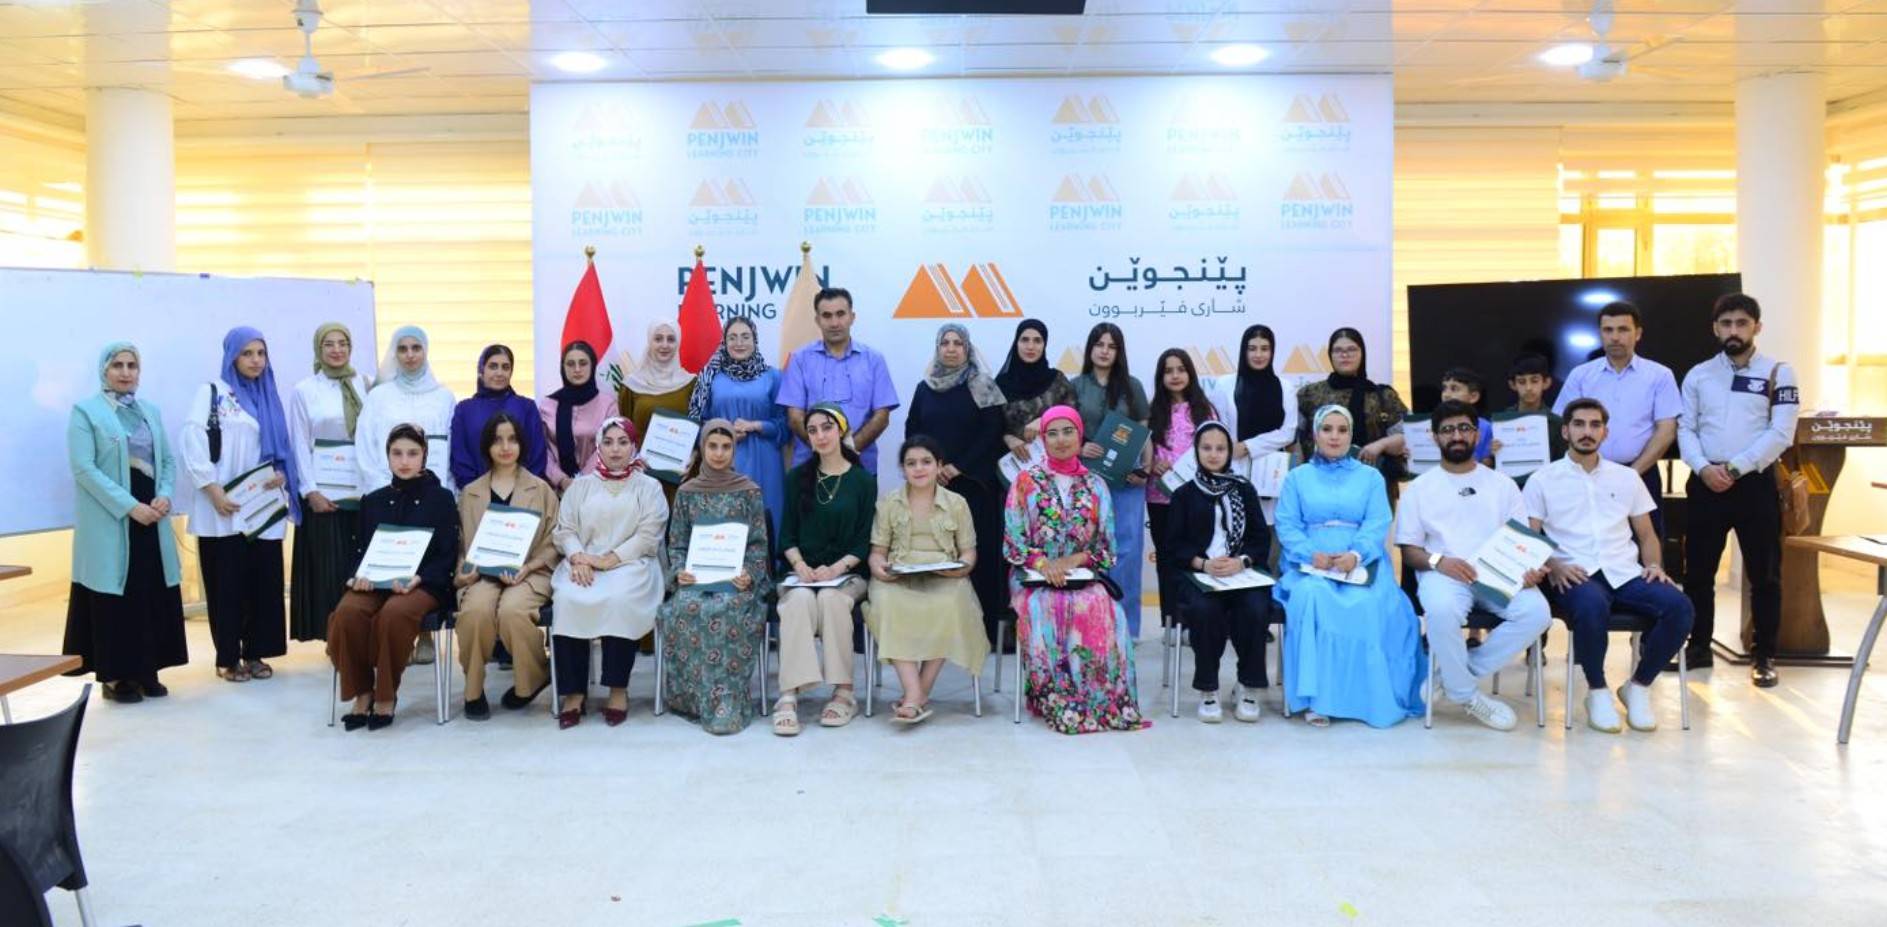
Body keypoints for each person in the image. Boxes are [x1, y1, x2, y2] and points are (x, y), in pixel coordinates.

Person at [1524, 399, 1694, 733]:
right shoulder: (1542, 479)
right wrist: (1553, 564)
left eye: (1595, 425)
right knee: (1590, 605)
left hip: (1625, 572)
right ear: (1565, 431)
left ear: (1605, 432)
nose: (1587, 432)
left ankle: (1638, 686)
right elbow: (1529, 537)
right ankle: (1597, 691)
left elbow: (1646, 534)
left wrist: (1654, 564)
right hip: (1573, 573)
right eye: (1579, 424)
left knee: (1680, 606)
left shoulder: (1627, 477)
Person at [1394, 400, 1553, 731]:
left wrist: (1528, 569)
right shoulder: (1420, 489)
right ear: (1435, 437)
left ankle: (1455, 677)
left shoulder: (1503, 484)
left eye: (1464, 428)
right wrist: (1440, 561)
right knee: (1441, 610)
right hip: (1444, 574)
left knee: (1537, 613)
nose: (1457, 436)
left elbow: (1522, 541)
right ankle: (1467, 695)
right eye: (1448, 430)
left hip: (1499, 576)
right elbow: (1410, 551)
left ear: (1477, 434)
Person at [1274, 405, 1424, 728]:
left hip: (1362, 563)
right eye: (1327, 429)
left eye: (1342, 430)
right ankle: (1316, 700)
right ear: (1315, 434)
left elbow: (1377, 522)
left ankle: (1365, 698)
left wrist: (1356, 555)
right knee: (1311, 597)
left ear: (1351, 434)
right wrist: (1310, 553)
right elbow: (1287, 524)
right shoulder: (1297, 477)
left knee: (1368, 605)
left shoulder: (1371, 477)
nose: (1335, 436)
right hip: (1309, 564)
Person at [1677, 293, 1799, 685]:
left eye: (1742, 323)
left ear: (1756, 327)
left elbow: (1781, 433)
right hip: (1705, 483)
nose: (1734, 330)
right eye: (1726, 323)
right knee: (1698, 573)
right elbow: (1685, 429)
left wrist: (1734, 468)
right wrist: (1703, 468)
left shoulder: (1779, 372)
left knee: (1765, 575)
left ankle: (1764, 656)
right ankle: (1698, 647)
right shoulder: (1698, 375)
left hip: (1754, 485)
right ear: (1715, 328)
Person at [1003, 405, 1146, 735]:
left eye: (1068, 431)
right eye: (1052, 433)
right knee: (1045, 606)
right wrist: (1044, 564)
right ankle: (1057, 699)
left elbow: (1106, 549)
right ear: (1042, 439)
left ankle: (1098, 699)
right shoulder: (1025, 481)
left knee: (1104, 607)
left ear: (1080, 436)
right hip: (1033, 579)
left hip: (1081, 576)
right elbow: (1013, 543)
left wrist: (1074, 560)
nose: (1061, 440)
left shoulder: (1096, 485)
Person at [63, 342, 188, 703]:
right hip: (112, 517)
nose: (125, 372)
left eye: (132, 365)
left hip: (152, 515)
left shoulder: (150, 411)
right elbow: (84, 469)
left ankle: (147, 670)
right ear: (104, 370)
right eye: (117, 365)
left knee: (148, 590)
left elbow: (167, 461)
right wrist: (130, 507)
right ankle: (117, 676)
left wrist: (164, 495)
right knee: (116, 596)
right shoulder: (85, 412)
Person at [180, 327, 298, 683]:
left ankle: (257, 652)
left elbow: (280, 451)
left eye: (261, 353)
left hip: (262, 508)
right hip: (224, 507)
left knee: (263, 583)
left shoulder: (269, 396)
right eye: (247, 353)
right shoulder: (213, 392)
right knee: (227, 586)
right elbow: (192, 439)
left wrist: (280, 475)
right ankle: (228, 658)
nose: (255, 360)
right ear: (232, 356)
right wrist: (212, 489)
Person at [326, 425, 460, 730]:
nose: (404, 461)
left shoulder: (441, 499)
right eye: (397, 453)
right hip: (376, 583)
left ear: (424, 456)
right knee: (347, 612)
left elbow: (447, 554)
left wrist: (420, 578)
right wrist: (357, 576)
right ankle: (363, 693)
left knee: (394, 614)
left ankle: (386, 696)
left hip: (423, 584)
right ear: (387, 456)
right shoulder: (372, 501)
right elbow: (359, 550)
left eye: (412, 453)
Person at [548, 417, 669, 729]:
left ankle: (617, 689)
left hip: (632, 564)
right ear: (598, 447)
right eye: (608, 442)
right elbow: (565, 529)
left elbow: (649, 535)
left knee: (620, 599)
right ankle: (574, 693)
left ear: (634, 446)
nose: (615, 449)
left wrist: (609, 560)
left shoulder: (649, 487)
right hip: (583, 563)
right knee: (568, 598)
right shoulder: (580, 487)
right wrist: (579, 557)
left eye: (623, 442)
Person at [866, 436, 992, 725]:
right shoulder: (889, 503)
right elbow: (877, 552)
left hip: (945, 575)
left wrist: (961, 568)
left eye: (926, 462)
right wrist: (879, 568)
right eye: (911, 463)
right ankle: (915, 693)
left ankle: (917, 693)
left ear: (939, 466)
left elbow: (968, 552)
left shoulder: (957, 503)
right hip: (899, 575)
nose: (919, 468)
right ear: (903, 469)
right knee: (886, 601)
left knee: (951, 604)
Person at [659, 420, 773, 734]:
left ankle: (727, 701)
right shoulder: (687, 492)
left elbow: (758, 543)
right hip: (696, 580)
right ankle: (695, 700)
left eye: (726, 447)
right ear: (702, 449)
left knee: (728, 607)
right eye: (712, 446)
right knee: (687, 606)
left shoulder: (748, 490)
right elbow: (677, 543)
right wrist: (679, 571)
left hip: (738, 580)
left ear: (734, 450)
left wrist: (749, 574)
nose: (719, 453)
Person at [774, 403, 877, 735]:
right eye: (813, 430)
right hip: (801, 573)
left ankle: (844, 692)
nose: (820, 435)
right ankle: (789, 695)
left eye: (827, 427)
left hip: (847, 573)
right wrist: (800, 565)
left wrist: (835, 569)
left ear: (842, 430)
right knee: (798, 601)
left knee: (833, 601)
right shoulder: (796, 478)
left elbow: (864, 540)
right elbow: (787, 535)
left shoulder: (863, 481)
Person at [903, 323, 1009, 645]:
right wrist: (931, 466)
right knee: (936, 555)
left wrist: (958, 466)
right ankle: (939, 635)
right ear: (938, 348)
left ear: (967, 348)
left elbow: (993, 432)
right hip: (932, 487)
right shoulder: (925, 388)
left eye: (957, 343)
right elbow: (913, 430)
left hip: (975, 486)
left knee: (977, 555)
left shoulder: (983, 385)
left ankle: (983, 632)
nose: (951, 348)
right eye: (945, 343)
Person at [1162, 421, 1272, 724]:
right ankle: (1208, 688)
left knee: (1255, 608)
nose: (1213, 454)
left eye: (1220, 448)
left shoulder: (1244, 490)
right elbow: (1173, 546)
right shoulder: (1184, 494)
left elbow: (1261, 540)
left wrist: (1242, 562)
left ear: (1229, 452)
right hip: (1200, 575)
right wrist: (1203, 564)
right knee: (1204, 610)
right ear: (1196, 451)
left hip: (1242, 573)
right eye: (1206, 448)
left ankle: (1248, 685)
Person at [452, 413, 560, 720]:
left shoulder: (541, 489)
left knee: (512, 612)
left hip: (530, 573)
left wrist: (530, 566)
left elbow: (555, 540)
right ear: (486, 446)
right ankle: (473, 690)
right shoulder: (470, 493)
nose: (505, 447)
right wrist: (463, 573)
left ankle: (533, 678)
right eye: (497, 440)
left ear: (522, 444)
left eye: (512, 439)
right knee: (475, 612)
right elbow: (460, 545)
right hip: (481, 576)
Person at [1551, 301, 1682, 534]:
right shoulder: (1581, 375)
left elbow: (1667, 430)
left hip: (1642, 474)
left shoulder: (1660, 375)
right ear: (1600, 334)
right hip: (1587, 475)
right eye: (1608, 330)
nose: (1615, 337)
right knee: (1588, 540)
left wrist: (1631, 474)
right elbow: (1564, 425)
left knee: (1647, 541)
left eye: (1623, 329)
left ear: (1638, 333)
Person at [288, 322, 372, 642]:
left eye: (343, 343)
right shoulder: (305, 390)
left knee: (359, 567)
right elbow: (299, 443)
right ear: (318, 349)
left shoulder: (366, 384)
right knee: (329, 570)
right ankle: (334, 641)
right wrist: (310, 491)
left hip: (361, 491)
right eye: (329, 344)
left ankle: (361, 636)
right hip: (324, 493)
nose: (337, 350)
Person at [1070, 322, 1153, 636]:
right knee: (1088, 546)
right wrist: (1079, 447)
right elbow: (1065, 430)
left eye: (1112, 346)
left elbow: (1144, 431)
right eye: (1099, 344)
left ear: (1119, 352)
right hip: (1087, 478)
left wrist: (1146, 468)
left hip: (1127, 480)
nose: (1105, 351)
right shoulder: (1076, 386)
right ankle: (1090, 624)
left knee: (1127, 551)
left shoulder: (1132, 386)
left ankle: (1126, 627)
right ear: (1090, 348)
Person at [685, 317, 789, 548]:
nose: (739, 343)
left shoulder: (773, 377)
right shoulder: (710, 377)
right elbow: (697, 423)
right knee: (724, 526)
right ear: (724, 342)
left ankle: (769, 567)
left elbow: (785, 424)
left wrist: (757, 425)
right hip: (722, 459)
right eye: (732, 337)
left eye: (745, 337)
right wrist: (724, 432)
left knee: (766, 519)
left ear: (755, 340)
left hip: (765, 461)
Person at [777, 287, 899, 474]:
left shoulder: (873, 360)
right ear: (817, 320)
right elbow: (794, 418)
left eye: (840, 314)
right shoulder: (799, 359)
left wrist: (847, 451)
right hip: (809, 466)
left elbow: (881, 417)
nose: (834, 323)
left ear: (852, 317)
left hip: (860, 466)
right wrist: (825, 451)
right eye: (827, 316)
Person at [1145, 348, 1223, 632]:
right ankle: (1171, 623)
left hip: (1196, 497)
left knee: (1194, 557)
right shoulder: (1152, 412)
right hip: (1160, 497)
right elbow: (1144, 452)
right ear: (1160, 377)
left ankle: (1195, 623)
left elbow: (1216, 451)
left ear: (1190, 373)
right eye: (1168, 371)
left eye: (1181, 369)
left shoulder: (1205, 410)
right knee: (1167, 560)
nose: (1175, 375)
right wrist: (1153, 464)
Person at [1204, 323, 1299, 527]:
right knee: (1233, 527)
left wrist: (1248, 446)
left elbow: (1288, 432)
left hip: (1272, 473)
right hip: (1233, 467)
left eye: (1264, 349)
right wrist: (1231, 448)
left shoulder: (1285, 387)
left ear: (1272, 352)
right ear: (1243, 351)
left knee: (1269, 530)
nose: (1258, 355)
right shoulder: (1225, 384)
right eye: (1252, 348)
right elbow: (1217, 427)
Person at [1295, 328, 1410, 479]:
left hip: (1374, 480)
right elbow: (1295, 440)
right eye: (1338, 350)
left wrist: (1381, 445)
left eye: (1352, 349)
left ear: (1362, 353)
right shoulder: (1309, 394)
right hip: (1319, 480)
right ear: (1330, 355)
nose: (1345, 355)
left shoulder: (1382, 395)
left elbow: (1408, 437)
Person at [358, 325, 456, 493]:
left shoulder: (444, 398)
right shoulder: (378, 396)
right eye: (403, 349)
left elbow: (451, 449)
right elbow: (365, 446)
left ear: (425, 351)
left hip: (431, 491)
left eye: (416, 348)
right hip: (386, 490)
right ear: (395, 354)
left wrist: (444, 490)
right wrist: (379, 487)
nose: (410, 355)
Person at [449, 344, 548, 489]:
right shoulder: (464, 409)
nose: (499, 373)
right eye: (493, 366)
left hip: (522, 495)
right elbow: (460, 457)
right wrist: (476, 492)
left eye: (505, 367)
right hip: (476, 495)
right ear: (481, 370)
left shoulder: (526, 407)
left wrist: (523, 491)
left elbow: (537, 456)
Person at [997, 318, 1077, 470]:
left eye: (1037, 341)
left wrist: (1045, 420)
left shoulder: (1057, 380)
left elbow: (1073, 417)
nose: (1030, 346)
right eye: (1024, 340)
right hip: (1011, 467)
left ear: (1044, 345)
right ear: (1016, 343)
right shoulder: (1001, 384)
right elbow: (990, 425)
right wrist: (1007, 438)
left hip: (1055, 466)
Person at [538, 340, 615, 492]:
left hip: (598, 488)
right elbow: (541, 449)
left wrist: (581, 481)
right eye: (571, 364)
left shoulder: (608, 404)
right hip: (555, 489)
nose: (577, 369)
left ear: (592, 366)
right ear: (563, 368)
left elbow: (609, 445)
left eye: (583, 363)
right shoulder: (547, 405)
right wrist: (562, 480)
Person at [615, 320, 697, 456]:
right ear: (650, 342)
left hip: (682, 466)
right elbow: (625, 430)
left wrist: (694, 455)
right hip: (640, 465)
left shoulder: (690, 383)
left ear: (678, 343)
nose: (665, 345)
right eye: (658, 339)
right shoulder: (631, 385)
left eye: (671, 339)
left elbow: (697, 427)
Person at [1495, 353, 1567, 488]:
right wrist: (1494, 453)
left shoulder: (1557, 423)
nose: (1528, 388)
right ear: (1512, 384)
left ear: (1546, 383)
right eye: (1522, 382)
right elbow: (1494, 466)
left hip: (1547, 488)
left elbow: (1563, 465)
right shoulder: (1501, 423)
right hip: (1510, 488)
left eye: (1534, 381)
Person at [1439, 367, 1495, 464]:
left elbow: (1486, 462)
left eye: (1454, 389)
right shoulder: (1432, 425)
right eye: (1444, 388)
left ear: (1473, 397)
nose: (1446, 395)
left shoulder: (1486, 427)